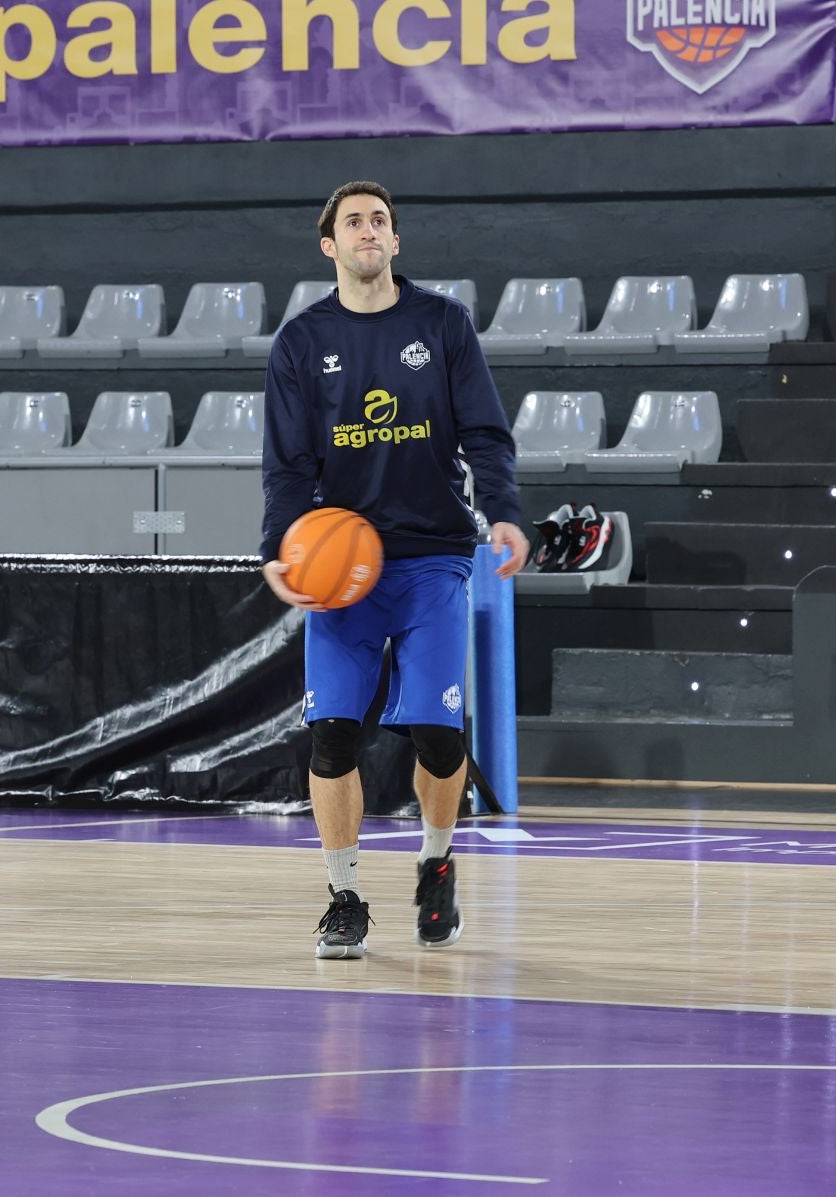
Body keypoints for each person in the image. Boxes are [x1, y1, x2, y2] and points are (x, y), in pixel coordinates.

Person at [260, 180, 528, 960]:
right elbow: (286, 468)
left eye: (380, 220)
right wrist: (281, 545)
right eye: (353, 221)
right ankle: (344, 896)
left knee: (438, 737)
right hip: (343, 572)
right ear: (329, 246)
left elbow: (486, 434)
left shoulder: (444, 324)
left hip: (433, 558)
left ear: (396, 242)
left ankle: (436, 864)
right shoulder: (300, 344)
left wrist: (505, 510)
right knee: (333, 737)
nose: (368, 230)